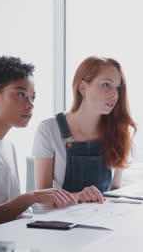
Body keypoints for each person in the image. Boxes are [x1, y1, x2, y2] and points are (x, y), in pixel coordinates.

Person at [0, 56, 76, 233]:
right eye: (20, 95)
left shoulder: (7, 145)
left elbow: (14, 214)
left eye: (32, 97)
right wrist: (30, 198)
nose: (30, 105)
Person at [33, 56, 137, 204]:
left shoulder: (119, 131)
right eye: (106, 85)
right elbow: (42, 201)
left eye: (118, 88)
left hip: (105, 219)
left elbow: (115, 190)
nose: (114, 94)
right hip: (62, 222)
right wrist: (78, 197)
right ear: (82, 88)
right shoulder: (48, 130)